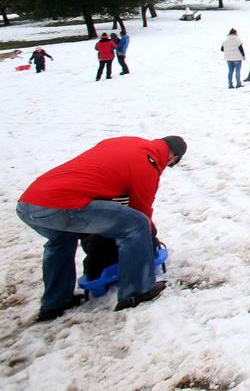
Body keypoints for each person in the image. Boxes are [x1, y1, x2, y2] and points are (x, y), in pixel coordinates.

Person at [15, 135, 185, 320]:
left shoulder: (126, 142)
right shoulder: (148, 165)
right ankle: (136, 291)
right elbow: (141, 211)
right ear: (173, 157)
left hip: (28, 204)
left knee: (61, 241)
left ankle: (55, 303)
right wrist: (150, 236)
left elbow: (101, 174)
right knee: (137, 225)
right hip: (63, 204)